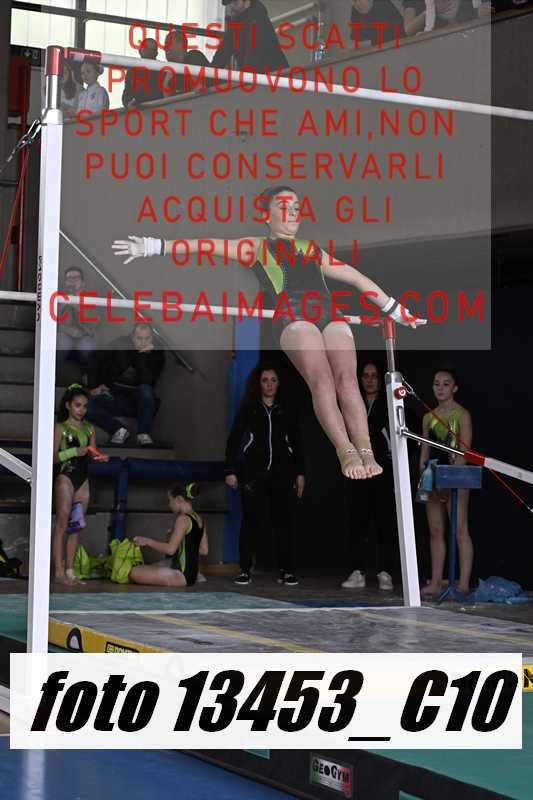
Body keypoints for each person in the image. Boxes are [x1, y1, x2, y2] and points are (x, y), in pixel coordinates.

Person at [112, 185, 425, 478]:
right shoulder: (255, 246)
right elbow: (206, 246)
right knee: (323, 379)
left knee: (347, 379)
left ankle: (366, 450)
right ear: (266, 214)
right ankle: (345, 450)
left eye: (297, 206)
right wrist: (154, 246)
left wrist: (395, 309)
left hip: (329, 314)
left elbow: (356, 278)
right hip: (294, 315)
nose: (293, 212)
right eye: (285, 206)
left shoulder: (311, 249)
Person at [225, 365, 305, 586]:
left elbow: (297, 442)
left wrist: (300, 473)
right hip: (253, 472)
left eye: (273, 380)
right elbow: (234, 439)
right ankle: (244, 570)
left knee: (284, 521)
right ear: (258, 384)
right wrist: (230, 470)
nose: (269, 384)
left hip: (283, 473)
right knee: (250, 520)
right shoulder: (249, 408)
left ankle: (286, 570)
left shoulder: (286, 409)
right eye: (265, 380)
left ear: (279, 384)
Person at [342, 361, 399, 591]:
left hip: (383, 472)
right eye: (365, 375)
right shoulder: (351, 403)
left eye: (374, 375)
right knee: (357, 523)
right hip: (357, 472)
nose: (369, 380)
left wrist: (391, 458)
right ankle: (358, 572)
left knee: (386, 523)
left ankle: (385, 572)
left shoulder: (390, 404)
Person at [418, 368, 474, 598]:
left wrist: (450, 479)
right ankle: (435, 582)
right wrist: (423, 475)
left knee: (459, 530)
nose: (440, 388)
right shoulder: (428, 417)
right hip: (433, 476)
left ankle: (463, 584)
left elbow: (465, 450)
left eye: (446, 384)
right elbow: (424, 449)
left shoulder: (462, 415)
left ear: (455, 388)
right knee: (436, 530)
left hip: (455, 477)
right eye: (436, 383)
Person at [52, 384, 109, 586]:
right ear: (68, 405)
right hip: (65, 477)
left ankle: (70, 571)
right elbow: (52, 457)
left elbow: (92, 452)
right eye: (77, 405)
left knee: (76, 526)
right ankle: (58, 572)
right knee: (62, 522)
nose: (81, 410)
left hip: (82, 479)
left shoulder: (89, 428)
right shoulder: (60, 428)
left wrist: (100, 457)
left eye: (84, 406)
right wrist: (74, 452)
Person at [87, 323, 165, 446]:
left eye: (147, 338)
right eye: (139, 338)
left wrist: (142, 355)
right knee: (85, 405)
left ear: (152, 338)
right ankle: (118, 430)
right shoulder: (119, 344)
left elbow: (147, 380)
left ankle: (143, 434)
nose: (143, 342)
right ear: (132, 337)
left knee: (146, 389)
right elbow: (95, 357)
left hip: (137, 403)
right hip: (114, 396)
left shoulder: (157, 354)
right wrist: (94, 385)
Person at [131, 483, 208, 587]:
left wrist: (147, 541)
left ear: (179, 499)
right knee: (155, 565)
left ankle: (178, 575)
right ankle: (197, 575)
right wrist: (184, 546)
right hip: (192, 574)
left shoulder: (183, 519)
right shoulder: (200, 519)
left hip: (182, 575)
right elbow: (204, 550)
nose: (169, 505)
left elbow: (170, 550)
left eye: (170, 500)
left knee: (134, 572)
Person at [213, 0, 289, 74]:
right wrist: (211, 72)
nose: (231, 7)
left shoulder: (258, 19)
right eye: (229, 3)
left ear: (247, 2)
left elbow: (254, 54)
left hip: (273, 75)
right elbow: (224, 50)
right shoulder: (236, 20)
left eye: (235, 2)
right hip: (261, 75)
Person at [56, 267, 98, 385]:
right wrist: (63, 328)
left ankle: (90, 380)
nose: (72, 280)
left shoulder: (91, 298)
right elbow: (48, 322)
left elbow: (96, 322)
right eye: (69, 278)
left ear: (83, 283)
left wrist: (78, 307)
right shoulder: (58, 297)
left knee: (87, 346)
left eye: (76, 277)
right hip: (64, 334)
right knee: (62, 342)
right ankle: (53, 377)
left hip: (85, 336)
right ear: (65, 282)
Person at [162, 27, 212, 95]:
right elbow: (167, 98)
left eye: (167, 43)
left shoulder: (194, 57)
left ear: (180, 44)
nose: (164, 48)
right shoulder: (170, 70)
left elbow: (198, 91)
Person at [122, 37, 164, 108]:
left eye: (152, 50)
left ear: (156, 53)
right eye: (146, 49)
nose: (149, 52)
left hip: (160, 110)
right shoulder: (132, 71)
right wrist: (129, 104)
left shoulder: (162, 70)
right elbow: (127, 95)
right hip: (139, 111)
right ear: (140, 51)